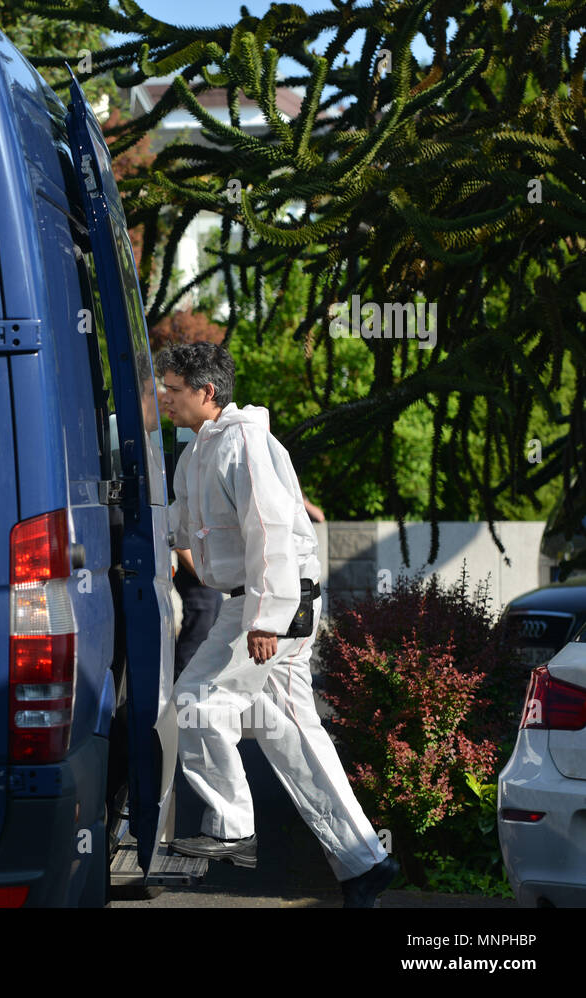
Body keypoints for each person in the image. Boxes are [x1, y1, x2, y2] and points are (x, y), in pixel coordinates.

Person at [154, 342, 399, 908]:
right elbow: (180, 525)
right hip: (262, 605)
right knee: (290, 733)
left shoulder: (244, 442)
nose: (164, 397)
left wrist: (268, 617)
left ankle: (231, 826)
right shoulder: (198, 452)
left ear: (205, 391)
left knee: (195, 700)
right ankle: (366, 864)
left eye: (172, 387)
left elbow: (270, 533)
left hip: (270, 606)